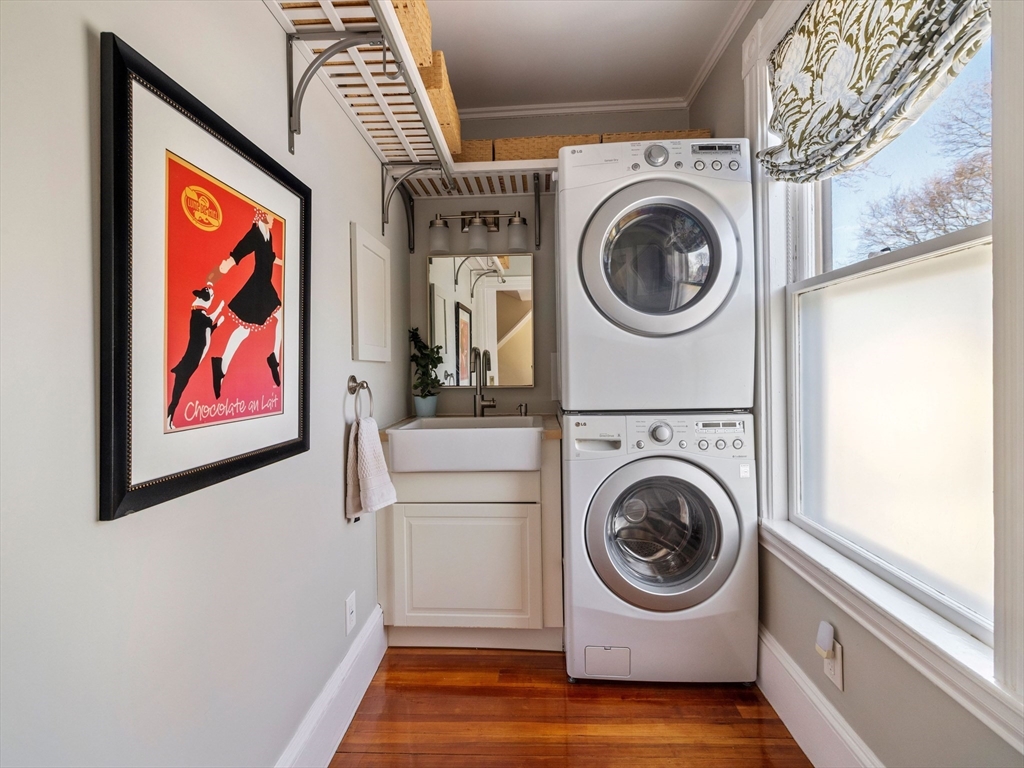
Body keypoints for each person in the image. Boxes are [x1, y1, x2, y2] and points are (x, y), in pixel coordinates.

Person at [206, 208, 283, 398]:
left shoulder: (268, 234)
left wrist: (286, 261)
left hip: (264, 285)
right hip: (257, 287)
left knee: (258, 325)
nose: (273, 219)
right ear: (263, 216)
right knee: (245, 330)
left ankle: (223, 365)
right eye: (270, 216)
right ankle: (221, 366)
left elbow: (269, 257)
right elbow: (240, 251)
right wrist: (227, 264)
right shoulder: (256, 233)